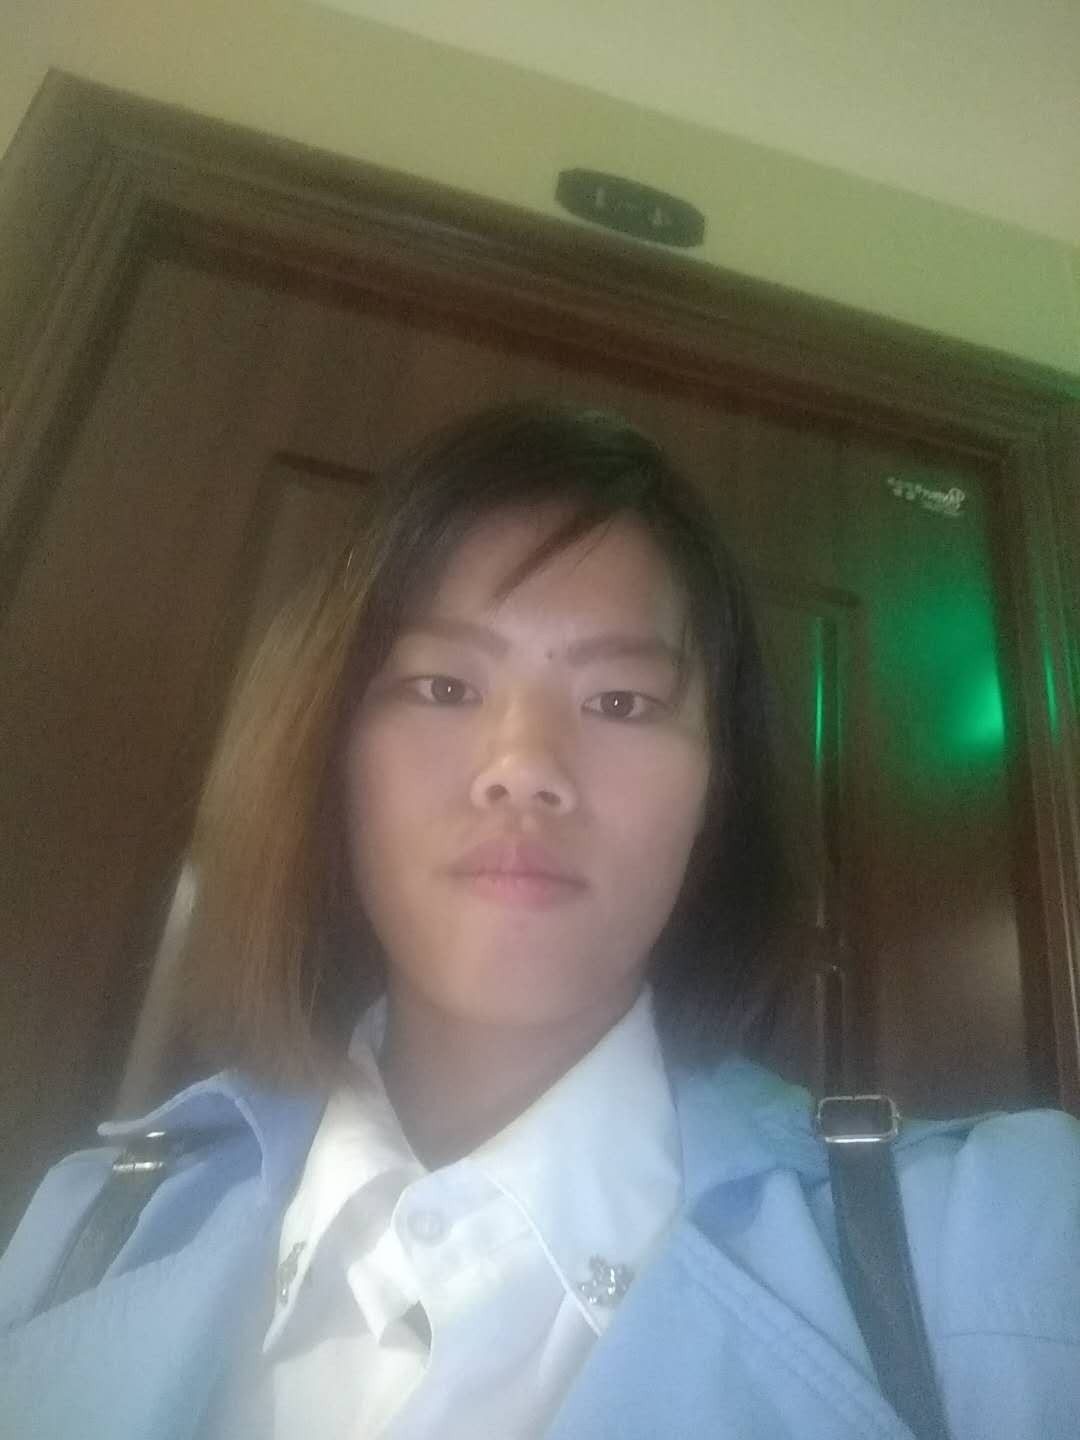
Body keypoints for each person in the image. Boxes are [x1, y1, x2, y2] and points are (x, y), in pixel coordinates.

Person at [2, 403, 1078, 1440]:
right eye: (440, 685)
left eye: (621, 701)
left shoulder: (998, 1238)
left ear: (719, 794)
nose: (524, 767)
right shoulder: (95, 1222)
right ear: (328, 752)